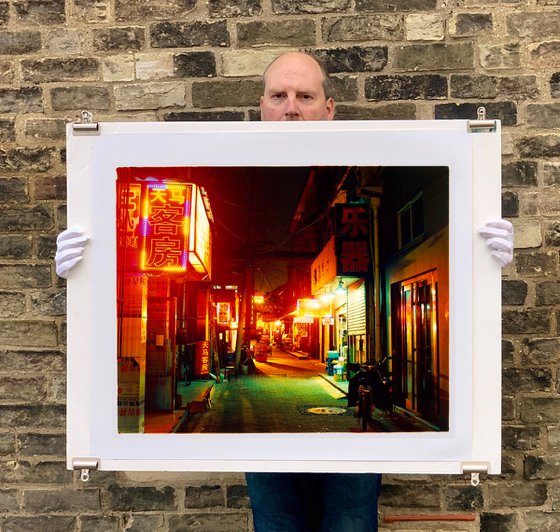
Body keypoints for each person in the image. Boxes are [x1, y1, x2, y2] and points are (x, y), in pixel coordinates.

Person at [55, 51, 514, 531]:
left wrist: (480, 261)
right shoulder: (239, 156)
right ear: (262, 106)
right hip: (267, 449)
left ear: (329, 108)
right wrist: (89, 269)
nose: (291, 108)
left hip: (354, 453)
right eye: (279, 96)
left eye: (304, 96)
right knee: (275, 522)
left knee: (352, 521)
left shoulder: (367, 158)